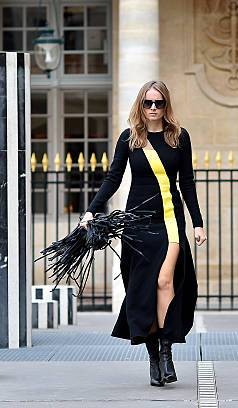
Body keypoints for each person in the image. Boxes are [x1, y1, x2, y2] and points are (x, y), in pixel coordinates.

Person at [79, 80, 207, 387]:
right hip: (137, 224)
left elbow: (186, 182)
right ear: (140, 105)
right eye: (148, 103)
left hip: (170, 220)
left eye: (158, 103)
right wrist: (91, 210)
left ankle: (166, 352)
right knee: (144, 288)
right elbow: (112, 179)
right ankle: (152, 357)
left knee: (165, 280)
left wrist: (198, 222)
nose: (153, 108)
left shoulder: (179, 137)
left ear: (166, 106)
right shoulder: (130, 139)